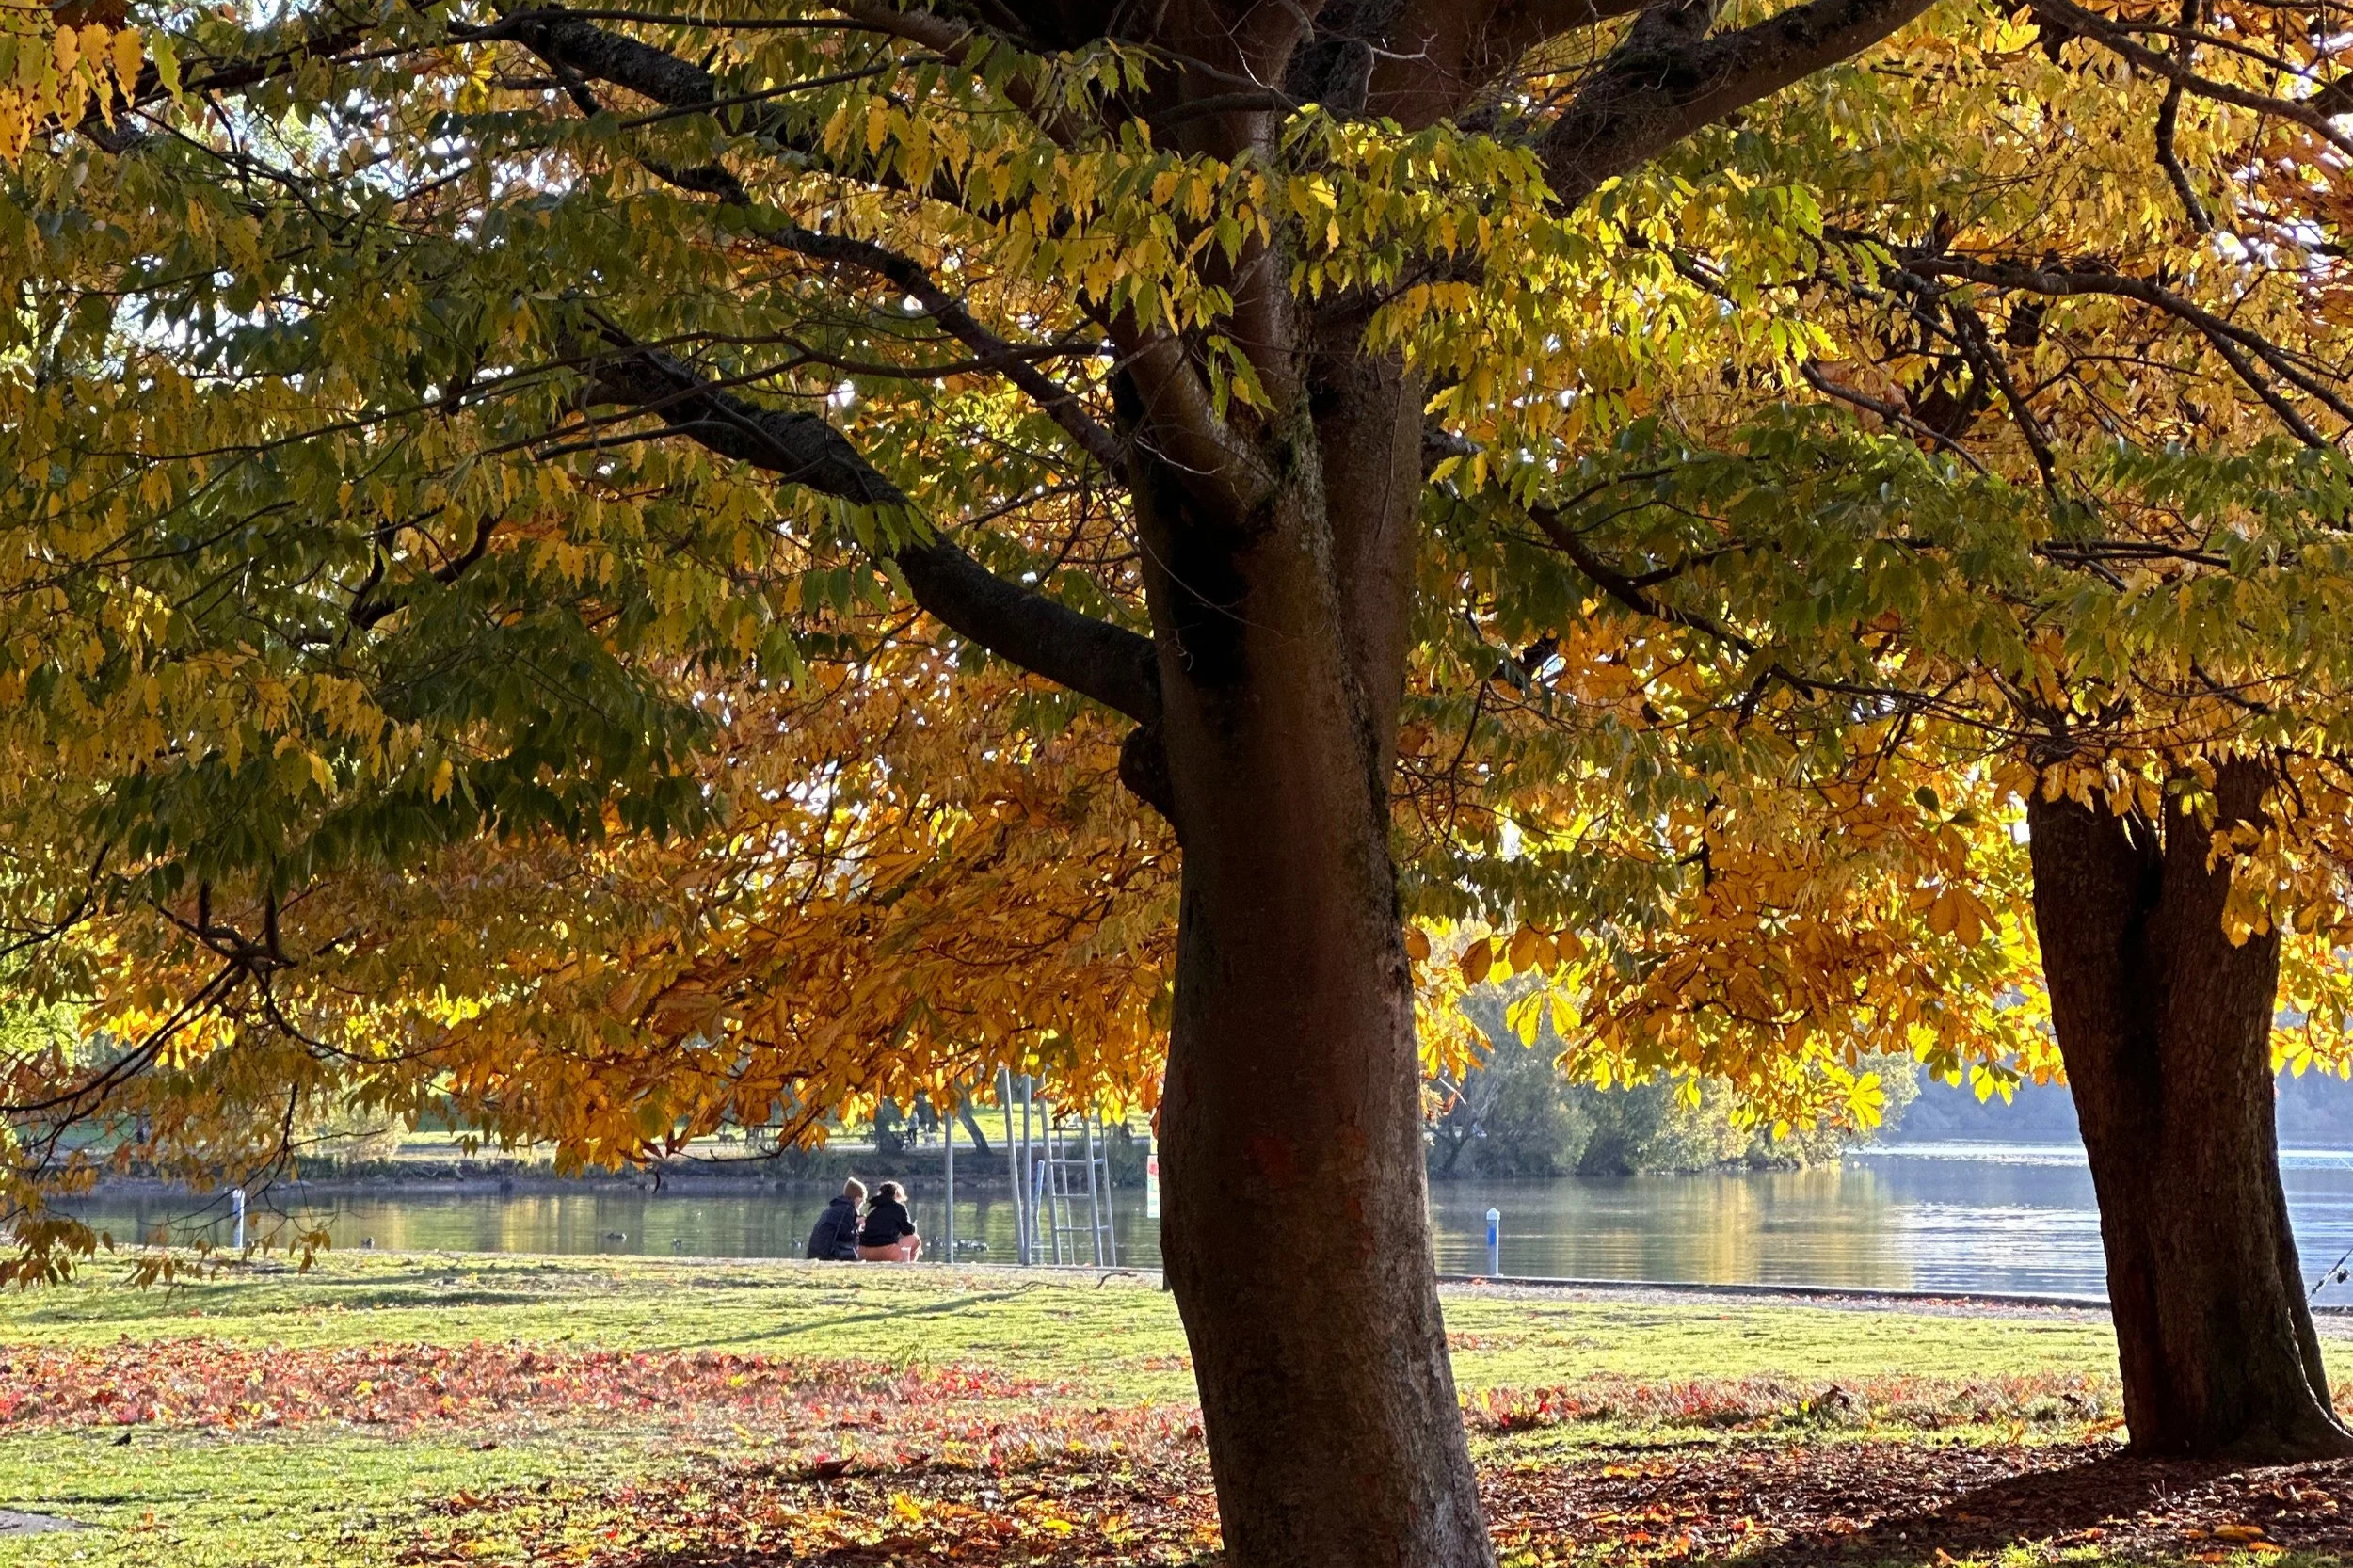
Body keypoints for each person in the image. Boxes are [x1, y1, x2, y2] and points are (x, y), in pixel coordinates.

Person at [856, 1180, 921, 1261]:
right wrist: (913, 1227)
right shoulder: (899, 1208)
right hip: (886, 1251)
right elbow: (907, 1231)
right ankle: (909, 1264)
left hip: (864, 1250)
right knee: (915, 1238)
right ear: (897, 1195)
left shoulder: (870, 1205)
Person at [804, 1178, 865, 1260]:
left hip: (815, 1251)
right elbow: (846, 1236)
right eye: (863, 1201)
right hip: (827, 1253)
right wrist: (858, 1226)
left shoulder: (835, 1206)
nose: (863, 1204)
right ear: (858, 1198)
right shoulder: (848, 1209)